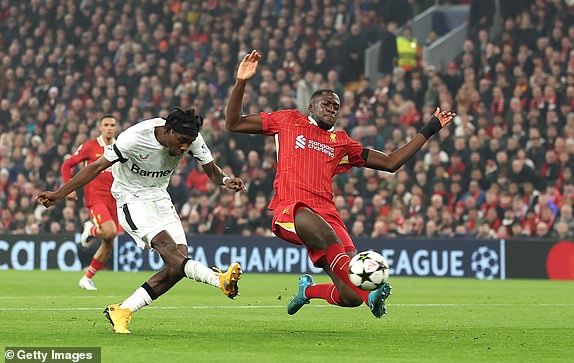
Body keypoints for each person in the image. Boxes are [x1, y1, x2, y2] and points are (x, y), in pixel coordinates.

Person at [226, 50, 455, 318]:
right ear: (310, 107)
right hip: (293, 209)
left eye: (336, 107)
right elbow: (234, 123)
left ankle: (308, 291)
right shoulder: (288, 120)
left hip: (329, 215)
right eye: (326, 104)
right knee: (337, 251)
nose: (332, 110)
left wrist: (430, 128)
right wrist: (241, 81)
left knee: (348, 296)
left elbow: (392, 162)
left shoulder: (342, 143)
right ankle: (370, 295)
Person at [37, 108, 245, 333]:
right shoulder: (134, 138)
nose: (185, 147)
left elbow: (212, 170)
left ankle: (123, 310)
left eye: (189, 142)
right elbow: (96, 167)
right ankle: (219, 280)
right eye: (182, 141)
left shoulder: (191, 138)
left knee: (178, 265)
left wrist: (225, 180)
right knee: (168, 249)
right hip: (131, 198)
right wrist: (59, 194)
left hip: (160, 196)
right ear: (169, 130)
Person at [60, 114, 120, 290]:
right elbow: (67, 165)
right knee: (109, 232)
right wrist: (69, 187)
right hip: (96, 197)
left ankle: (87, 278)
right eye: (106, 125)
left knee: (110, 240)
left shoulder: (121, 147)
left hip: (116, 198)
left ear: (116, 127)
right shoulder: (90, 147)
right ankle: (91, 230)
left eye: (112, 125)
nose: (109, 128)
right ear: (100, 127)